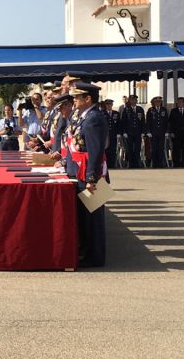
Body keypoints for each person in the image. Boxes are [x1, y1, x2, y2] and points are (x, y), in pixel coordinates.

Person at [68, 83, 108, 267]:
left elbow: (95, 151)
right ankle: (89, 252)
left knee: (93, 219)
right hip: (84, 171)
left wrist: (92, 179)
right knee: (87, 217)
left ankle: (96, 257)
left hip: (91, 174)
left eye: (77, 97)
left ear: (88, 99)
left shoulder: (93, 119)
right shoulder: (87, 117)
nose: (74, 100)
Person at [119, 94, 145, 168]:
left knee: (137, 149)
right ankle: (131, 164)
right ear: (129, 101)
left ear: (136, 101)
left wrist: (143, 132)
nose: (133, 101)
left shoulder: (140, 109)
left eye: (135, 100)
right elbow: (123, 121)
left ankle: (136, 164)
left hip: (138, 132)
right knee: (129, 149)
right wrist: (124, 132)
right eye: (132, 100)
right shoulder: (126, 109)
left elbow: (143, 121)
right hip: (129, 133)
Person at [168, 97, 184, 168]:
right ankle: (176, 164)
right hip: (176, 134)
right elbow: (171, 122)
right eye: (178, 102)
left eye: (180, 102)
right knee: (176, 149)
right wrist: (171, 132)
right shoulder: (174, 111)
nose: (179, 103)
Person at [48, 94, 74, 160]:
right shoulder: (67, 119)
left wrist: (63, 161)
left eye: (61, 108)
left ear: (70, 106)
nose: (59, 111)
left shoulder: (73, 121)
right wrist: (56, 151)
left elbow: (72, 144)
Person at [145, 96, 168, 168]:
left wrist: (167, 131)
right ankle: (155, 164)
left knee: (161, 148)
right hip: (153, 133)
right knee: (154, 148)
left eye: (159, 102)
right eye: (156, 102)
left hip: (161, 132)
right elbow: (148, 121)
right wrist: (148, 131)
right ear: (154, 103)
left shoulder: (164, 110)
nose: (158, 103)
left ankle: (160, 163)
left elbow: (166, 122)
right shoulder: (151, 110)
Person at [102, 99, 120, 169]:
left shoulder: (116, 113)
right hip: (105, 135)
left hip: (113, 134)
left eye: (110, 104)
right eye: (107, 104)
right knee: (106, 150)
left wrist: (119, 133)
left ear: (112, 105)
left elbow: (119, 124)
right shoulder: (102, 113)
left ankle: (112, 164)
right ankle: (106, 164)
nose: (109, 106)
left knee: (113, 150)